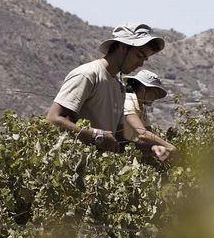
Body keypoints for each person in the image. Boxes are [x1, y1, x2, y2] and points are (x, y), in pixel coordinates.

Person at [46, 22, 165, 152]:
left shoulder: (119, 88)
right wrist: (98, 135)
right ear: (123, 46)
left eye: (145, 59)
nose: (141, 64)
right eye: (139, 55)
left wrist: (152, 149)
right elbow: (53, 118)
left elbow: (118, 140)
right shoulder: (88, 74)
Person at [122, 69, 176, 161]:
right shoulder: (128, 100)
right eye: (154, 93)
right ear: (143, 89)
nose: (155, 98)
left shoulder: (141, 107)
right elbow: (143, 134)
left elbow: (149, 132)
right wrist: (171, 147)